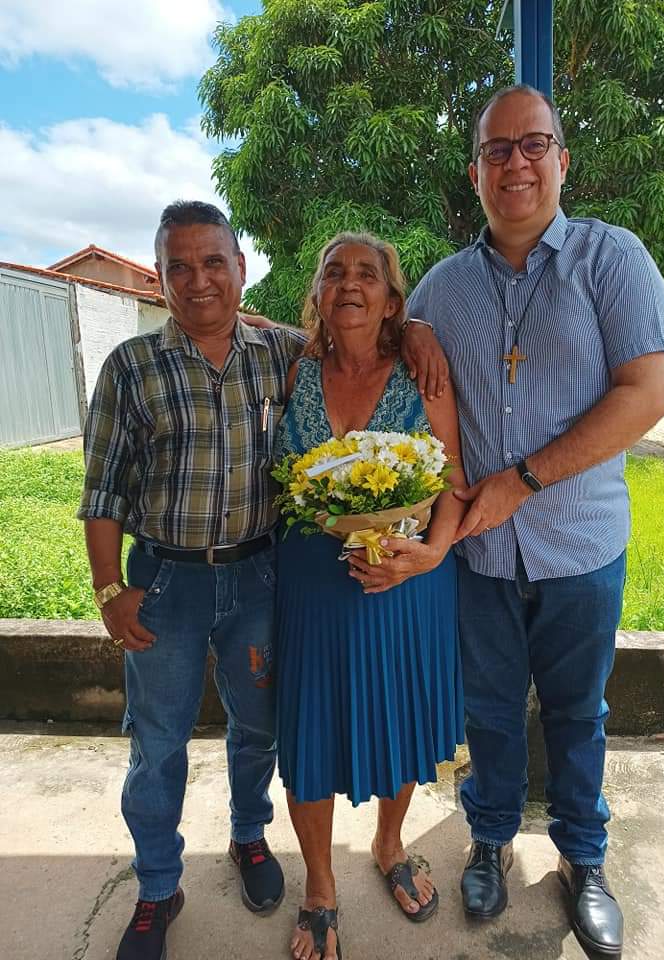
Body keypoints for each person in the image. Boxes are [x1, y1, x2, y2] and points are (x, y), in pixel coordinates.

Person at [404, 84, 664, 957]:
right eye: (497, 149)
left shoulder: (612, 259)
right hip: (480, 555)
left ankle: (583, 858)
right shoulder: (443, 289)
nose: (516, 163)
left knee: (578, 711)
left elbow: (651, 392)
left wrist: (523, 479)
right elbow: (395, 376)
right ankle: (487, 837)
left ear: (563, 159)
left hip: (580, 545)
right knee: (486, 711)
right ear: (475, 171)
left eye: (534, 145)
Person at [78, 201, 308, 960]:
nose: (199, 279)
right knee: (157, 742)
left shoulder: (278, 356)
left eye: (215, 262)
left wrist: (424, 332)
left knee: (259, 728)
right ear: (161, 277)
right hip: (164, 587)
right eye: (180, 266)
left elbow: (357, 345)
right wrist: (112, 590)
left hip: (256, 579)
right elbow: (103, 490)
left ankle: (249, 837)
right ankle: (156, 886)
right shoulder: (132, 368)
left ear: (241, 269)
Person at [272, 232, 468, 960]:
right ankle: (320, 885)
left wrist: (428, 555)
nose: (349, 284)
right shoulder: (291, 367)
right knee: (311, 730)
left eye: (368, 274)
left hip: (407, 583)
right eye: (334, 272)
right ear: (317, 293)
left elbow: (453, 480)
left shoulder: (422, 375)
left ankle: (390, 845)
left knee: (402, 721)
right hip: (312, 587)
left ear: (392, 298)